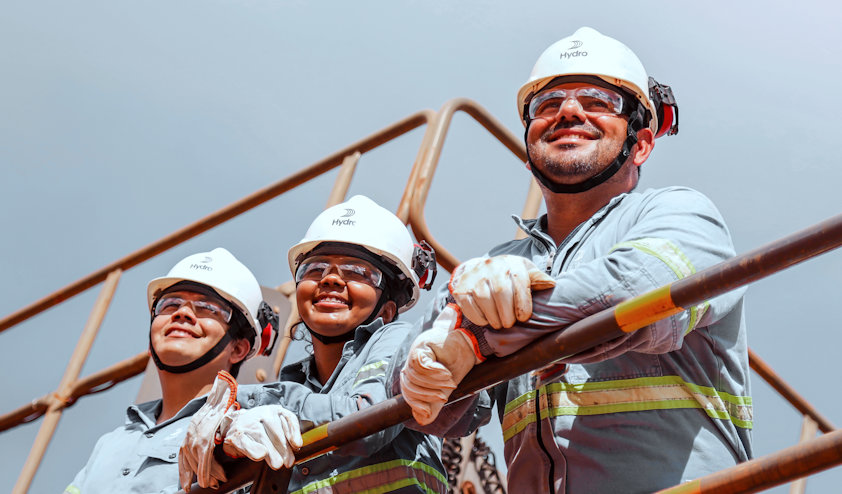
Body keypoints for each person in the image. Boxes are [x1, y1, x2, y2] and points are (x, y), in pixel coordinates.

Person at [398, 26, 752, 493]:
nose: (568, 111)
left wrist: (474, 335)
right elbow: (436, 404)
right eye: (547, 106)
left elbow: (631, 291)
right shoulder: (491, 266)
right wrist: (425, 364)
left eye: (597, 101)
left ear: (641, 143)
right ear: (529, 153)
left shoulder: (682, 215)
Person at [179, 195, 452, 494]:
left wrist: (255, 402)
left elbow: (370, 421)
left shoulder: (399, 339)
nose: (330, 279)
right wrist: (227, 440)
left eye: (358, 271)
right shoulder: (295, 385)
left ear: (387, 309)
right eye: (314, 268)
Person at [63, 247, 279, 494]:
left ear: (239, 348)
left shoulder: (239, 433)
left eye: (207, 307)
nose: (183, 313)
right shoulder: (111, 442)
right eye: (170, 304)